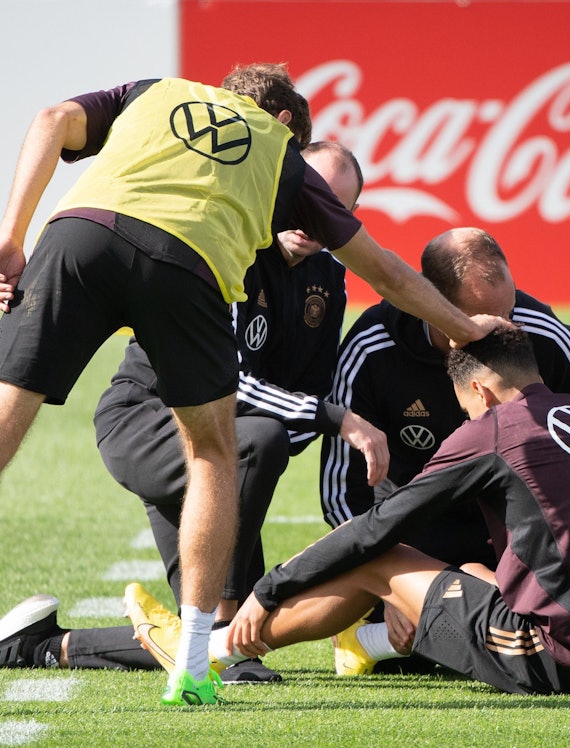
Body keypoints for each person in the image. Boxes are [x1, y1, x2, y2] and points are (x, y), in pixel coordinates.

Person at [0, 64, 504, 706]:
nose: (309, 216)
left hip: (83, 237)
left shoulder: (156, 93)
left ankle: (65, 645)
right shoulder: (265, 178)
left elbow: (50, 119)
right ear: (286, 126)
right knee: (230, 454)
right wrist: (464, 330)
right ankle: (199, 657)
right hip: (158, 384)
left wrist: (11, 236)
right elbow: (384, 273)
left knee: (9, 414)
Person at [0, 141, 382, 683]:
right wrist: (330, 418)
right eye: (307, 198)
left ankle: (41, 646)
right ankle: (222, 623)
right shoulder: (233, 247)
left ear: (351, 216)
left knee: (228, 644)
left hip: (225, 445)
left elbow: (308, 389)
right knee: (261, 449)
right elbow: (228, 385)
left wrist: (301, 423)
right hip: (147, 421)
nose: (311, 219)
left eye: (332, 209)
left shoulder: (329, 276)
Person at [128, 327, 570, 697]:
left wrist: (269, 589)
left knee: (381, 558)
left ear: (482, 391)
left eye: (466, 407)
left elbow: (379, 527)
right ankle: (364, 643)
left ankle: (208, 649)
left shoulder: (493, 429)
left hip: (566, 657)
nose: (466, 419)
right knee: (472, 572)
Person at [320, 226, 570, 674]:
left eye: (507, 313)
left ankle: (405, 630)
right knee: (417, 655)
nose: (498, 332)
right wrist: (384, 580)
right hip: (410, 541)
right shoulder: (372, 347)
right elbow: (342, 489)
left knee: (569, 644)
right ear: (428, 301)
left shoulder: (542, 334)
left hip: (514, 534)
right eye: (476, 321)